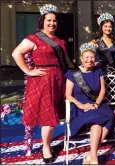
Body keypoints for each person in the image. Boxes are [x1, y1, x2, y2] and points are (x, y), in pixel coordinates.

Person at [12, 4, 70, 164]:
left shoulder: (61, 41)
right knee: (48, 116)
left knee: (54, 115)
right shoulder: (34, 38)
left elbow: (65, 62)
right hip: (42, 81)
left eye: (54, 21)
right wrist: (29, 71)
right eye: (49, 20)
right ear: (42, 21)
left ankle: (47, 143)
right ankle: (46, 147)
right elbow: (16, 53)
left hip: (59, 79)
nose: (52, 23)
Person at [65, 43, 115, 164]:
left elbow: (103, 91)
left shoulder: (98, 71)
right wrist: (81, 105)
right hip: (80, 106)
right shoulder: (73, 73)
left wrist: (97, 104)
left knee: (110, 117)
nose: (89, 60)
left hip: (96, 104)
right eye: (86, 57)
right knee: (97, 121)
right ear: (81, 59)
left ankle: (91, 155)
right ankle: (94, 157)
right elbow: (68, 95)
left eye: (92, 57)